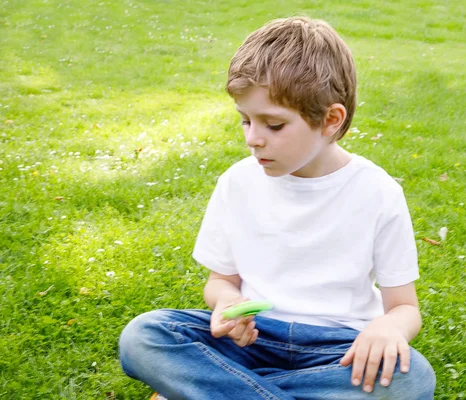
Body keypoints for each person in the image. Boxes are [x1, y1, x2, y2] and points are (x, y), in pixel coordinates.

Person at [119, 16, 436, 400]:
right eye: (245, 121)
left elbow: (404, 308)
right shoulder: (237, 183)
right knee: (145, 334)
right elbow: (220, 282)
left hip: (337, 350)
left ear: (330, 120)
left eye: (273, 125)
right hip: (251, 342)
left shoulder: (377, 192)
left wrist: (389, 329)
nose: (253, 139)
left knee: (413, 377)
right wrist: (227, 303)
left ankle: (214, 390)